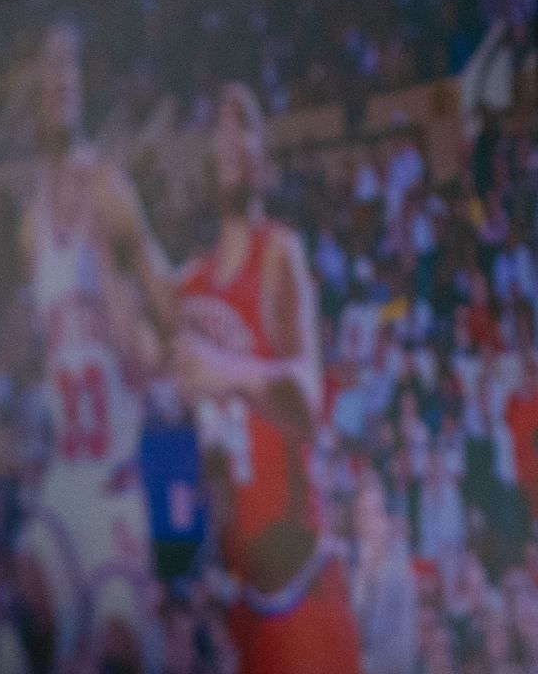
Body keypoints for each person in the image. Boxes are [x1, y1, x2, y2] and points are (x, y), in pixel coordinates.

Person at [174, 83, 364, 673]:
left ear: (265, 159)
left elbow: (307, 400)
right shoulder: (190, 285)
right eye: (217, 124)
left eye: (245, 123)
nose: (228, 136)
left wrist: (223, 371)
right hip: (235, 602)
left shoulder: (279, 253)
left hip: (300, 590)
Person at [13, 21, 178, 674]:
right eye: (48, 67)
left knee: (120, 650)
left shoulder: (109, 187)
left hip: (116, 477)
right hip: (64, 476)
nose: (60, 79)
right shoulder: (29, 225)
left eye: (69, 65)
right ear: (32, 90)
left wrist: (148, 339)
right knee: (26, 613)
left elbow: (164, 311)